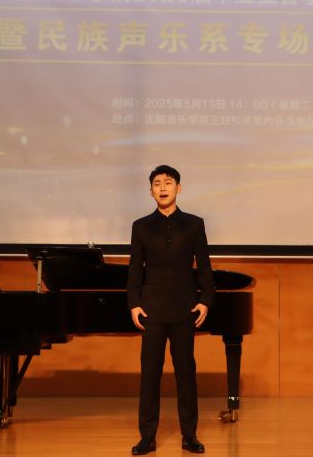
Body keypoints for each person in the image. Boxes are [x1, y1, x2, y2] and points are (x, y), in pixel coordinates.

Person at [127, 165, 215, 455]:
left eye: (168, 182)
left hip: (183, 309)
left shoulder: (194, 224)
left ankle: (190, 435)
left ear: (179, 188)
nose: (162, 187)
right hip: (151, 310)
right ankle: (147, 437)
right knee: (149, 374)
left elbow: (204, 267)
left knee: (186, 373)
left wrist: (205, 300)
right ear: (150, 191)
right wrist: (134, 303)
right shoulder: (141, 226)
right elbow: (134, 270)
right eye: (157, 183)